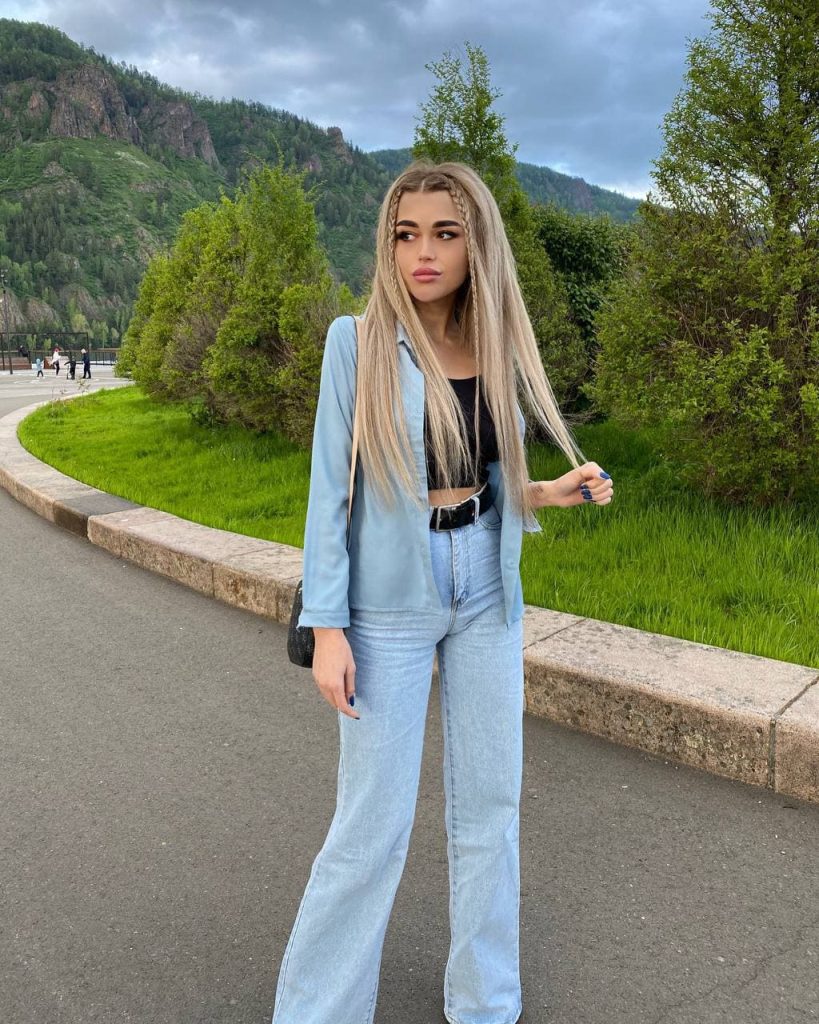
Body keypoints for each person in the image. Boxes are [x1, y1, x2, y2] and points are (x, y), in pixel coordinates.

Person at [271, 161, 614, 1024]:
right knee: (370, 827)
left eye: (444, 233)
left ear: (475, 245)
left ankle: (485, 1002)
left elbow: (479, 478)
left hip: (487, 587)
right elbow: (330, 493)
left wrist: (548, 492)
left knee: (491, 808)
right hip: (387, 601)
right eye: (406, 234)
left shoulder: (493, 343)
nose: (422, 252)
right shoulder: (355, 343)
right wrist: (327, 626)